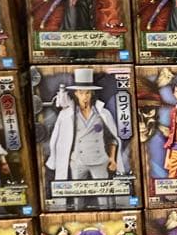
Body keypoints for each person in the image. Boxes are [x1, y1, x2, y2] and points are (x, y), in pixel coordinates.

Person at [45, 68, 122, 206]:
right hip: (77, 162)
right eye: (81, 92)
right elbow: (56, 138)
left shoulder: (103, 114)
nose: (84, 97)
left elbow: (112, 138)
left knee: (104, 198)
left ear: (92, 94)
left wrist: (112, 158)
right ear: (76, 93)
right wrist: (54, 158)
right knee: (77, 199)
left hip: (100, 161)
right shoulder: (66, 115)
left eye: (87, 93)